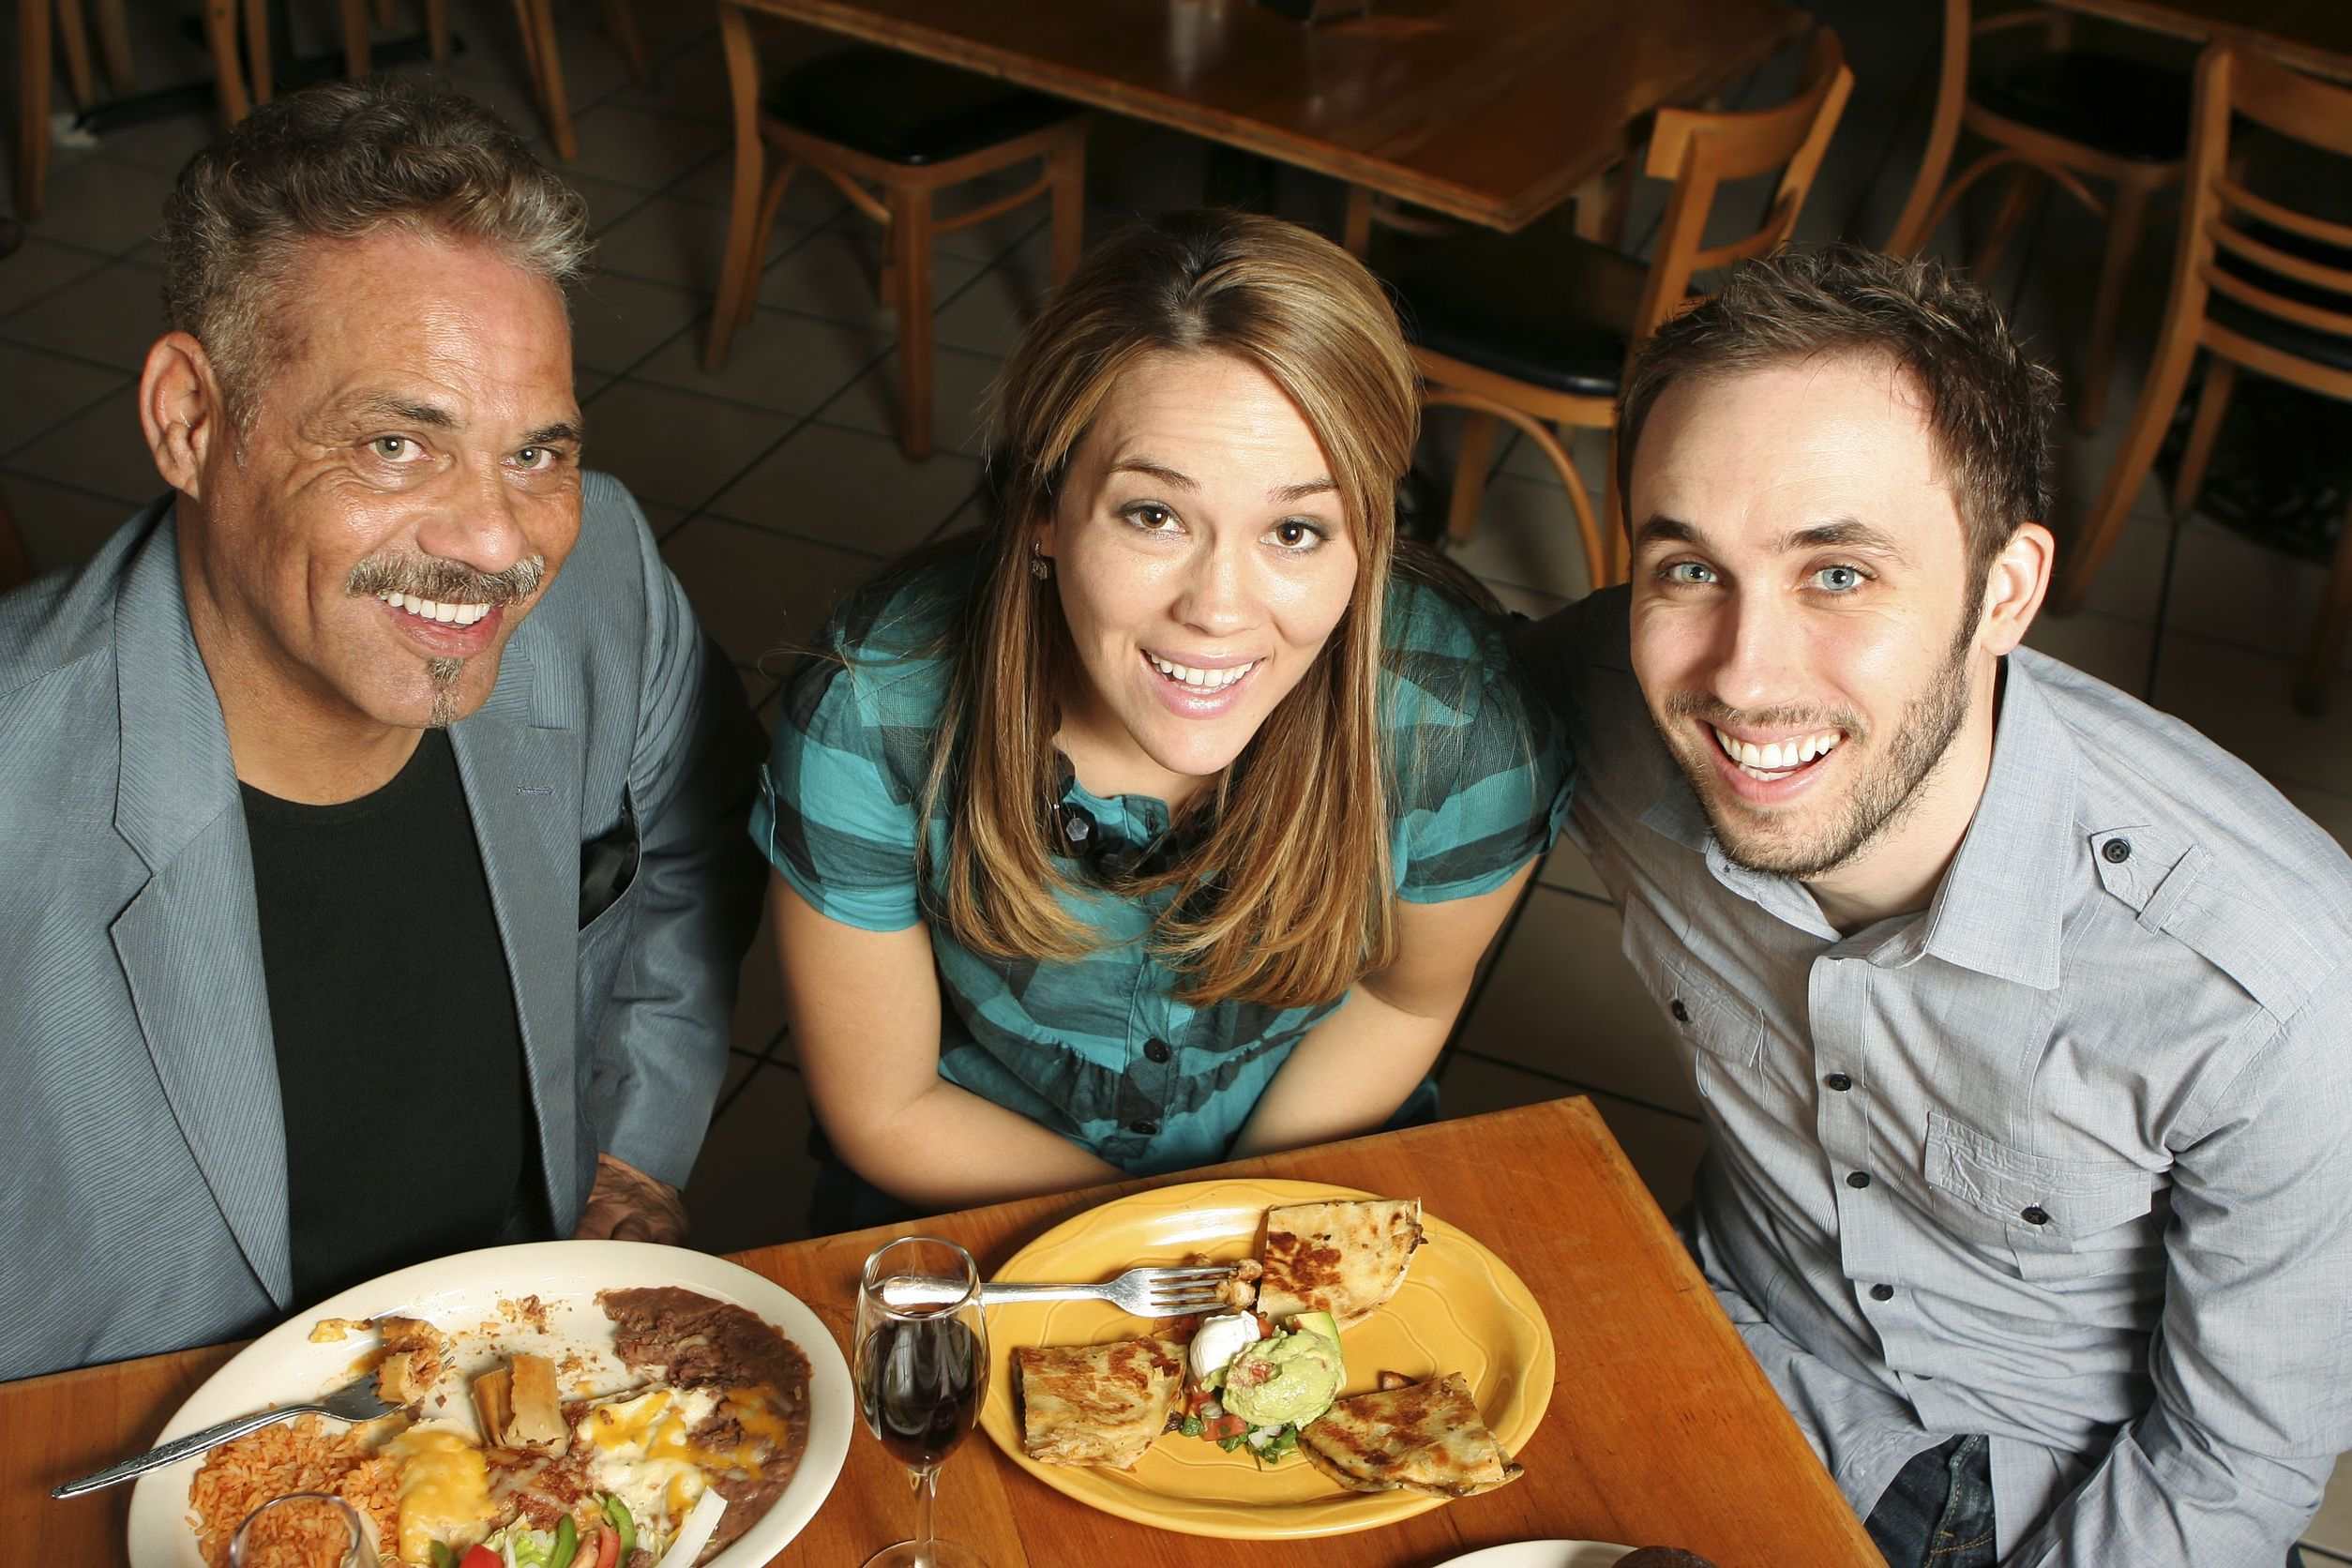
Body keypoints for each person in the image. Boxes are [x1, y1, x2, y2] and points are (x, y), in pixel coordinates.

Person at [1515, 246, 2352, 1566]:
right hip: (1715, 1341)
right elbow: (1371, 675)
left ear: (2004, 590)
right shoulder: (1618, 703)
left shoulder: (2275, 988)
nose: (1745, 677)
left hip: (2049, 1503)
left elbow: (2231, 1464)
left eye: (1838, 574)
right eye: (1690, 569)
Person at [0, 81, 763, 1382]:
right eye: (396, 444)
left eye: (535, 454)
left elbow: (696, 843)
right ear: (191, 419)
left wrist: (632, 1149)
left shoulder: (605, 586)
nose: (497, 541)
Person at [758, 211, 1565, 1227]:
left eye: (1295, 530)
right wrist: (1173, 1238)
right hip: (964, 1182)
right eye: (1154, 515)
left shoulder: (1465, 728)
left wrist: (1242, 1224)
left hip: (1300, 1172)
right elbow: (887, 1106)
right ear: (1043, 510)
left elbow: (1403, 998)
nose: (1218, 609)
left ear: (1366, 538)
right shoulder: (874, 711)